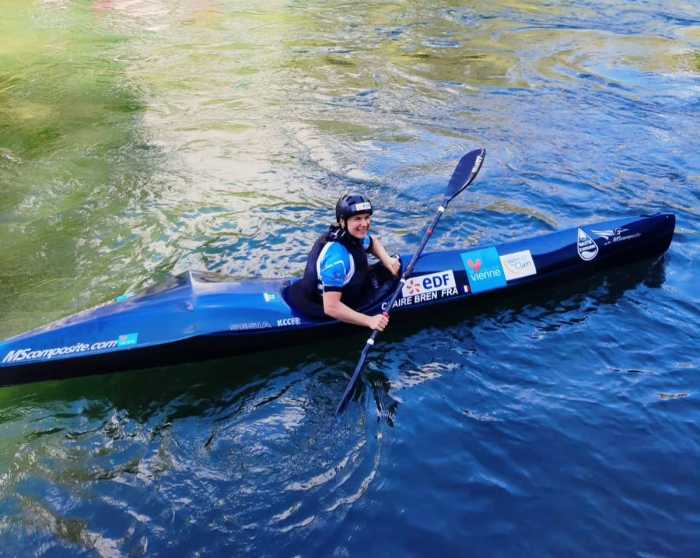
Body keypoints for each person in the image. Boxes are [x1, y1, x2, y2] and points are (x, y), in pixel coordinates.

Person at [286, 194, 401, 330]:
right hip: (323, 307)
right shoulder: (337, 260)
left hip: (332, 292)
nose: (364, 224)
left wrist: (387, 260)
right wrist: (369, 320)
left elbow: (372, 243)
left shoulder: (349, 235)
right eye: (357, 219)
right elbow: (331, 308)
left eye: (367, 218)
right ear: (342, 221)